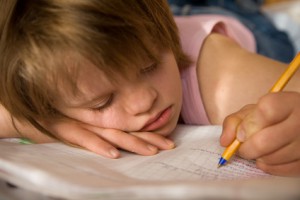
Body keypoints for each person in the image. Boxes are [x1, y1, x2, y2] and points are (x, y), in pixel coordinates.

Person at [0, 0, 299, 176]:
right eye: (101, 102)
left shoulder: (221, 79)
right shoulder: (38, 82)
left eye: (150, 66)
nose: (144, 101)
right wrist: (31, 122)